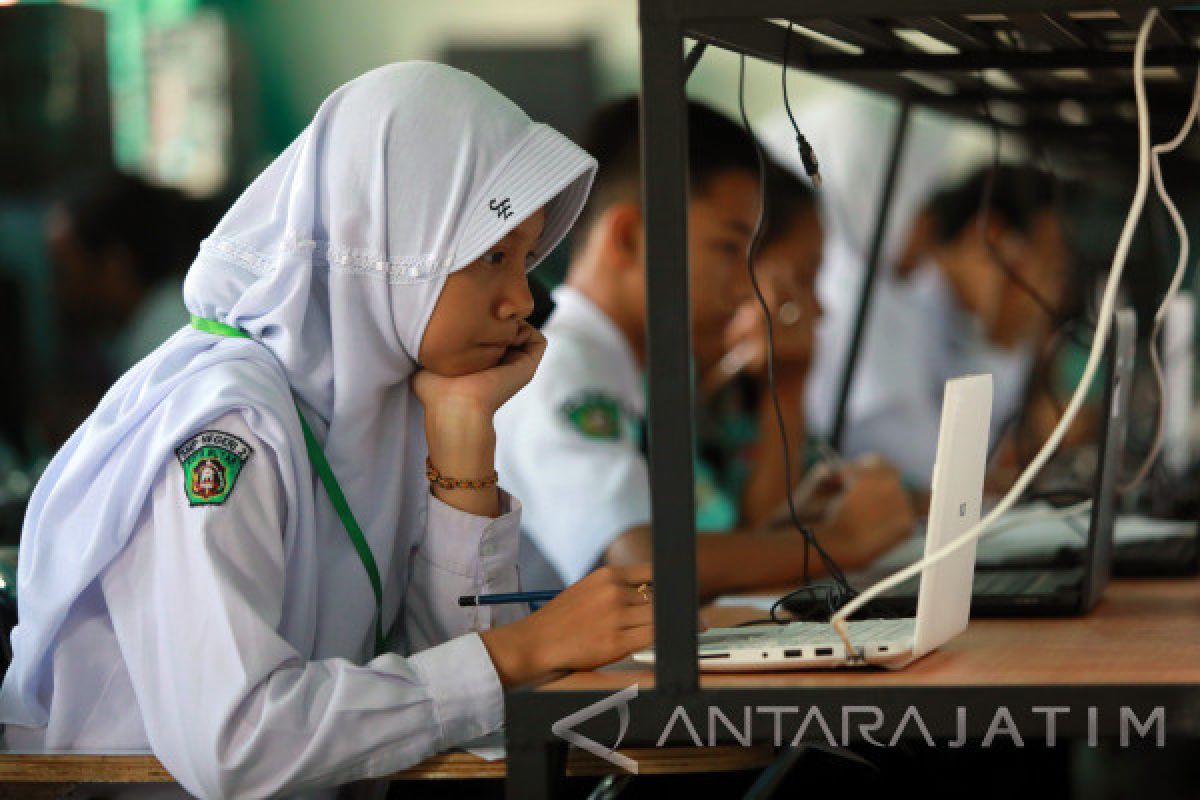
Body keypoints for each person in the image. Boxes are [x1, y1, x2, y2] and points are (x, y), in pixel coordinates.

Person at [0, 63, 655, 799]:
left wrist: (463, 427)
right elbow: (238, 742)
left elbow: (450, 692)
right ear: (391, 243)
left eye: (526, 256)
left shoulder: (374, 405)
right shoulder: (229, 425)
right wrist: (520, 653)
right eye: (492, 256)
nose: (523, 299)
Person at [494, 97, 914, 598]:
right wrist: (840, 541)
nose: (746, 287)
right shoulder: (560, 370)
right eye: (727, 249)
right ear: (627, 238)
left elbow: (718, 539)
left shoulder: (640, 371)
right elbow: (639, 564)